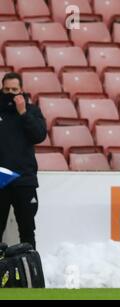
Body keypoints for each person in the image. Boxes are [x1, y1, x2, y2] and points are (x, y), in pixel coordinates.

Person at [0, 72, 47, 249]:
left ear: (22, 90)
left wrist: (24, 113)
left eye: (14, 89)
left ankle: (29, 273)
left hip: (24, 178)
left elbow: (39, 136)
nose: (10, 93)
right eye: (6, 89)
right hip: (1, 177)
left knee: (27, 231)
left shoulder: (32, 110)